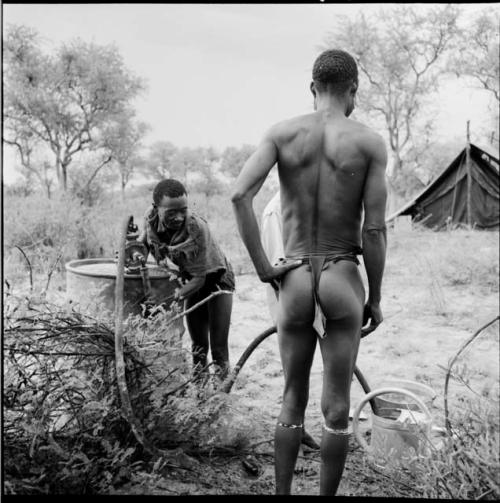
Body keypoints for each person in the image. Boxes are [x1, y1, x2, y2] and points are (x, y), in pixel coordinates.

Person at [231, 49, 387, 495]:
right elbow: (374, 230)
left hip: (294, 279)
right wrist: (374, 298)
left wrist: (264, 269)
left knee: (291, 398)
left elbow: (240, 196)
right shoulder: (368, 142)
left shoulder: (281, 134)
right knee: (336, 408)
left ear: (312, 88)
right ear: (353, 89)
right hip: (342, 275)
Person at [140, 178, 235, 382]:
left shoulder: (196, 228)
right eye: (171, 212)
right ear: (156, 208)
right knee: (198, 347)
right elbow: (143, 245)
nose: (178, 217)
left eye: (183, 210)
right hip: (192, 282)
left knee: (218, 348)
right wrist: (131, 253)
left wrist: (170, 297)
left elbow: (200, 278)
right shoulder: (150, 219)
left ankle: (220, 399)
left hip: (217, 281)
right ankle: (200, 399)